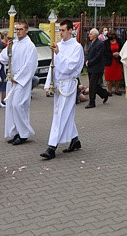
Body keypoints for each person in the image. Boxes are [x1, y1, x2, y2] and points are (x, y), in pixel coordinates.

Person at [40, 19, 85, 159]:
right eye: (59, 30)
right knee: (65, 113)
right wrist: (48, 84)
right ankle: (75, 140)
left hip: (69, 84)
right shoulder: (58, 45)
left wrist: (59, 53)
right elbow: (52, 66)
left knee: (60, 115)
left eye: (63, 30)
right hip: (58, 84)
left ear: (71, 30)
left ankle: (52, 147)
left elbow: (69, 67)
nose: (61, 33)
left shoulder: (77, 47)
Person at [0, 20, 38, 145]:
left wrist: (18, 77)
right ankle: (16, 132)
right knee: (11, 106)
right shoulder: (14, 43)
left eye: (20, 29)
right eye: (16, 29)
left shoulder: (30, 46)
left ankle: (24, 133)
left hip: (21, 80)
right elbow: (4, 59)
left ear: (26, 30)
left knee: (18, 105)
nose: (18, 31)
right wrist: (8, 47)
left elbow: (30, 65)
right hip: (12, 79)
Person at [84, 28, 110, 108]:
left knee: (92, 86)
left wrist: (90, 61)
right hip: (91, 67)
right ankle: (105, 94)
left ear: (95, 35)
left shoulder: (100, 44)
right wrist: (86, 60)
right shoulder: (92, 43)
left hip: (97, 68)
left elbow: (98, 56)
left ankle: (92, 102)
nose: (89, 36)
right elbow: (89, 54)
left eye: (91, 34)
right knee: (94, 85)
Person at [104, 30, 124, 96]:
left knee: (118, 76)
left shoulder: (119, 41)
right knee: (109, 77)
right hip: (109, 61)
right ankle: (109, 91)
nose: (110, 37)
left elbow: (122, 49)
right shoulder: (106, 42)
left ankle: (117, 90)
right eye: (109, 36)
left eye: (111, 36)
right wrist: (112, 54)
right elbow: (104, 52)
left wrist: (119, 53)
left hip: (117, 61)